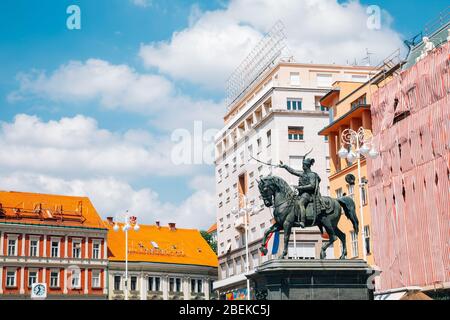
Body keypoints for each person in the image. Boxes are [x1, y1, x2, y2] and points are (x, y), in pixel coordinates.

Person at [279, 150, 325, 228]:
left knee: (301, 203)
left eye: (303, 165)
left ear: (306, 166)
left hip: (308, 194)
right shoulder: (303, 173)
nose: (302, 166)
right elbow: (293, 171)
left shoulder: (312, 175)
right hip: (301, 194)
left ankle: (303, 221)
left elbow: (312, 186)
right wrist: (284, 166)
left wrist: (300, 187)